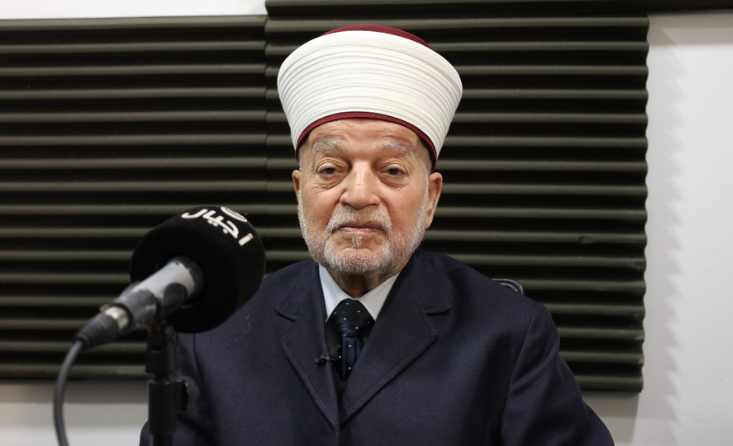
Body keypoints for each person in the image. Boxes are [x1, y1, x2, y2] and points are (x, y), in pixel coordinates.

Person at [140, 25, 613, 445]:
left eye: (391, 170)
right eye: (331, 169)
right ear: (300, 190)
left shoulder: (509, 333)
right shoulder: (214, 336)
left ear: (431, 198)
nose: (359, 194)